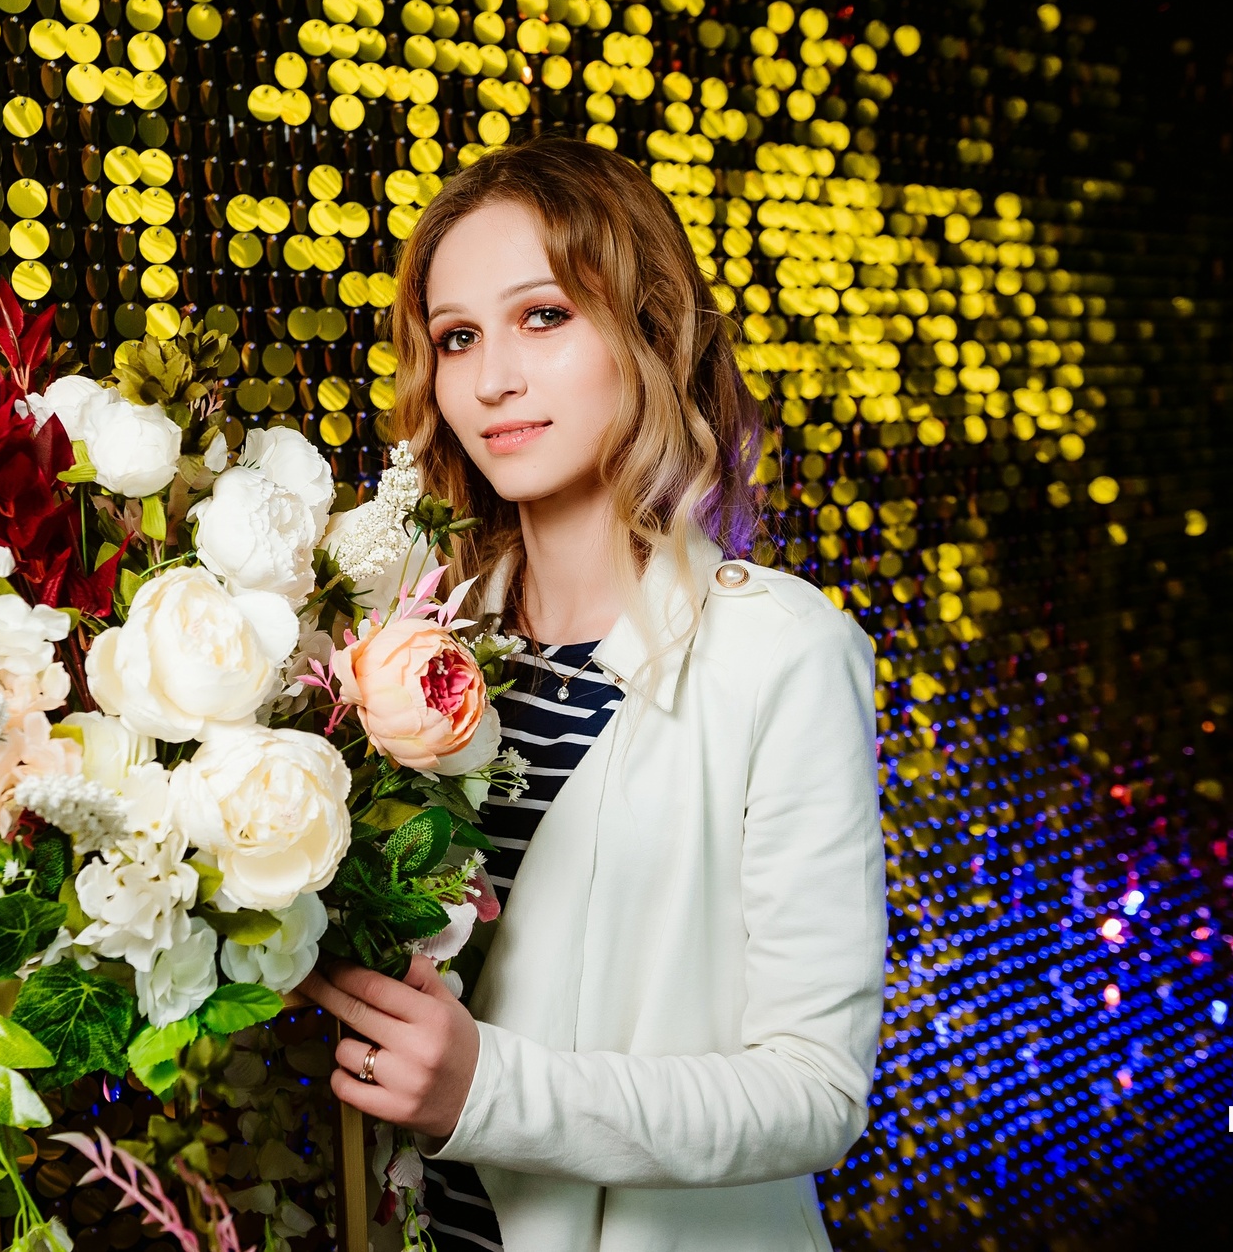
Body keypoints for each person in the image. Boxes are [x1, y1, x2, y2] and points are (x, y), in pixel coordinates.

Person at [298, 136, 888, 1252]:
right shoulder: (393, 643)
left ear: (649, 332)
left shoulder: (780, 652)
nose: (492, 379)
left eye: (544, 316)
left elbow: (816, 1091)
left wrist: (487, 1092)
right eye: (457, 337)